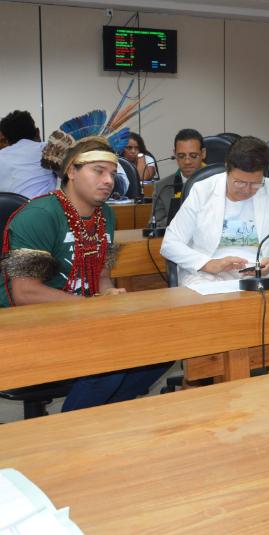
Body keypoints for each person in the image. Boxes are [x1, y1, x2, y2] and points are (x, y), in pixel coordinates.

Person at [0, 136, 170, 411]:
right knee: (109, 364)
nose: (109, 181)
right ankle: (70, 430)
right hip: (26, 324)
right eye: (98, 171)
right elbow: (25, 292)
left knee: (163, 346)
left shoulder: (106, 216)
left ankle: (101, 417)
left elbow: (102, 275)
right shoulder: (39, 215)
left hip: (81, 317)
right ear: (71, 171)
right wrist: (88, 306)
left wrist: (108, 294)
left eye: (112, 173)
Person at [160, 136, 269, 286]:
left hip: (257, 276)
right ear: (227, 168)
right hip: (208, 275)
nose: (246, 190)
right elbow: (170, 244)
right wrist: (207, 264)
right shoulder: (203, 190)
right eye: (239, 182)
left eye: (255, 184)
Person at [150, 128, 206, 226]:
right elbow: (155, 226)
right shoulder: (162, 187)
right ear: (175, 154)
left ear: (203, 153)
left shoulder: (219, 182)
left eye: (193, 155)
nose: (187, 162)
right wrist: (183, 216)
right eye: (181, 156)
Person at [0, 110, 57, 198]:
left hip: (12, 206)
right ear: (37, 132)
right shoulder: (48, 149)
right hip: (44, 205)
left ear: (7, 140)